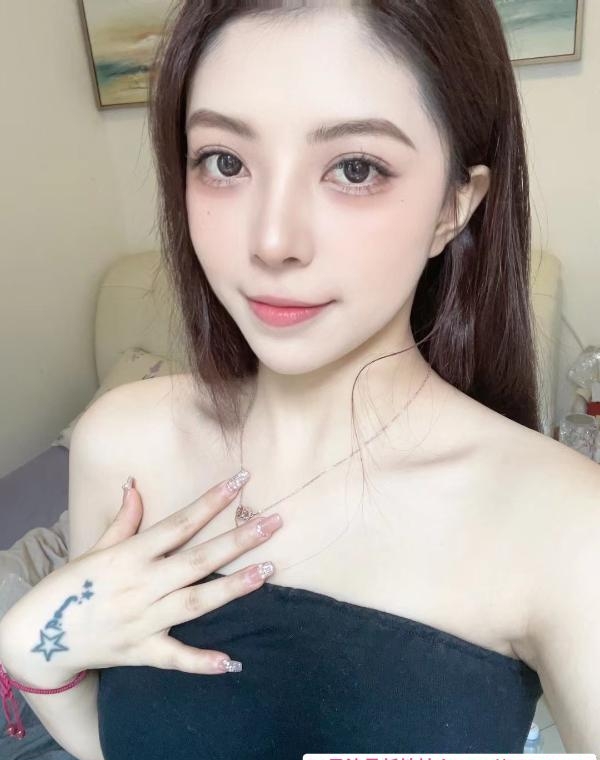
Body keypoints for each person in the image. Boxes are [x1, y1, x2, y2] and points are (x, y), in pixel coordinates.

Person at [1, 0, 599, 757]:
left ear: (455, 206)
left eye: (355, 169)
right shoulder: (121, 448)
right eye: (225, 162)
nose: (272, 240)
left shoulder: (564, 526)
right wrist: (37, 656)